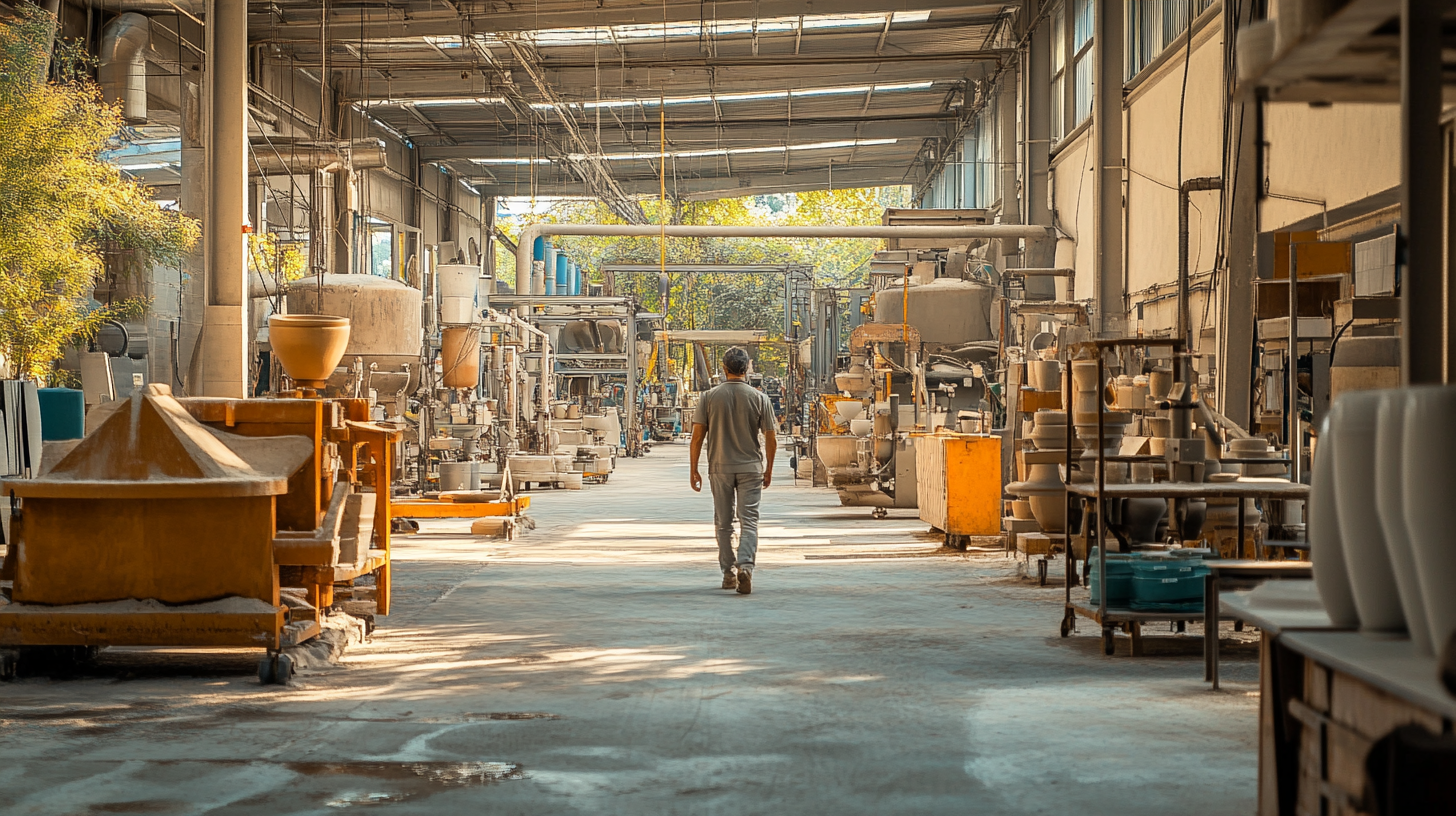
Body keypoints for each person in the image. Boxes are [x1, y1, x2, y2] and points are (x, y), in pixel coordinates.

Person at [689, 347, 777, 595]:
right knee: (749, 521)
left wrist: (694, 469)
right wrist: (768, 468)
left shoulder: (708, 397)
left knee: (724, 523)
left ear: (723, 368)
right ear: (747, 367)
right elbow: (771, 438)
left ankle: (728, 573)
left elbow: (697, 438)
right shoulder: (760, 398)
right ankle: (746, 567)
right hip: (751, 468)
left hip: (720, 468)